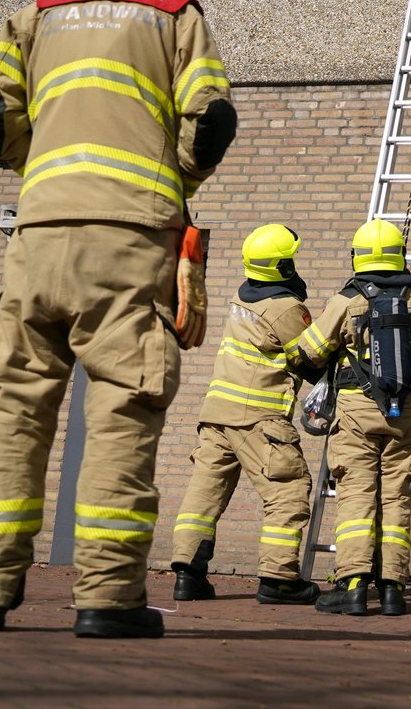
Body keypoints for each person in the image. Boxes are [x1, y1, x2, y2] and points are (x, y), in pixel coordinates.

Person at [0, 0, 238, 639]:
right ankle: (106, 600)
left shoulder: (35, 15)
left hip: (38, 235)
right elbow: (210, 118)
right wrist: (173, 180)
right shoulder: (176, 18)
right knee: (122, 413)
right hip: (131, 241)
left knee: (11, 408)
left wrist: (36, 169)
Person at [296, 219, 411, 617]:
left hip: (357, 413)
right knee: (396, 496)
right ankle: (393, 589)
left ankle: (351, 586)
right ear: (400, 254)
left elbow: (309, 352)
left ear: (358, 256)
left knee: (357, 496)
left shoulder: (346, 301)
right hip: (407, 411)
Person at [167, 223, 323, 606]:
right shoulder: (285, 307)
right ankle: (279, 580)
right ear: (283, 267)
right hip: (259, 418)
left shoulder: (243, 298)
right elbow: (310, 360)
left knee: (205, 493)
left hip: (216, 414)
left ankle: (188, 575)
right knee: (287, 492)